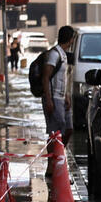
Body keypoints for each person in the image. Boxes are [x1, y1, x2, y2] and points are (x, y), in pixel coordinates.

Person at [41, 25, 75, 173]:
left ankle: (58, 155)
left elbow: (62, 78)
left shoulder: (63, 54)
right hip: (53, 98)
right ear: (71, 39)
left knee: (69, 129)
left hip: (62, 98)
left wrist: (66, 96)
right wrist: (49, 100)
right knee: (55, 132)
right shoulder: (54, 54)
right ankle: (51, 165)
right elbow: (45, 77)